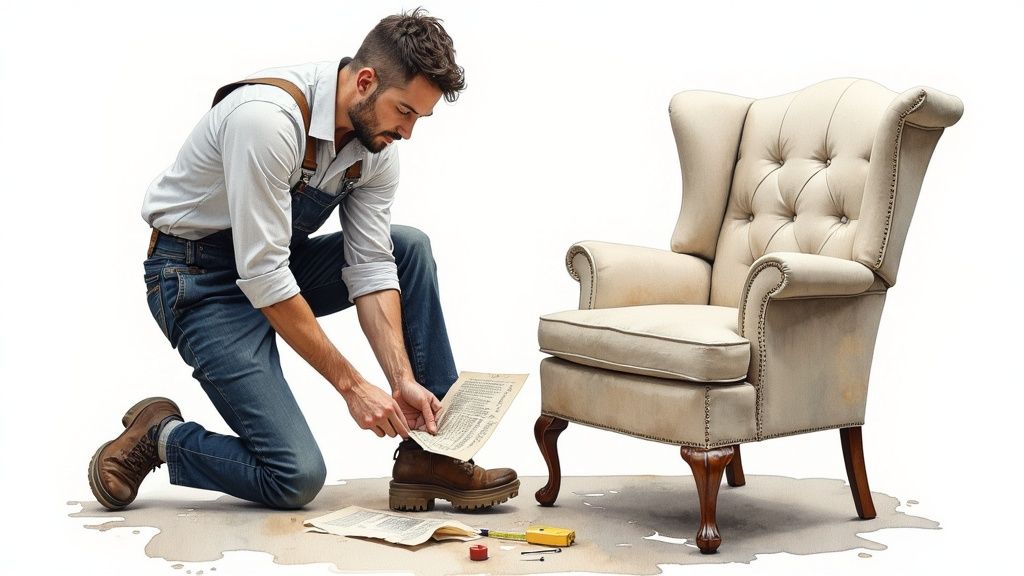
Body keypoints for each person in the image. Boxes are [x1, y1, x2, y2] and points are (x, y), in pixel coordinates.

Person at [88, 8, 519, 512]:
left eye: (419, 119)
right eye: (404, 111)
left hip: (273, 266)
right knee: (295, 477)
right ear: (364, 81)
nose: (408, 132)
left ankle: (435, 454)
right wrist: (354, 386)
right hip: (195, 279)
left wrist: (401, 379)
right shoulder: (266, 121)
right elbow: (264, 274)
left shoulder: (376, 149)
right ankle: (160, 436)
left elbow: (372, 267)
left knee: (408, 249)